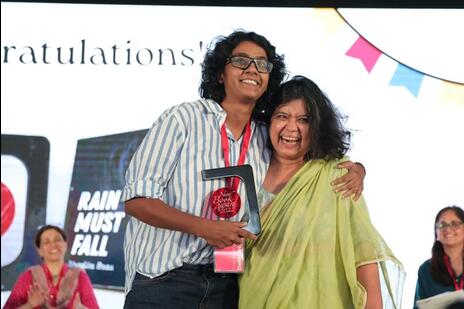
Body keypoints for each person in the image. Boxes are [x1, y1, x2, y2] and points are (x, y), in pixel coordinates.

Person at [122, 30, 366, 309]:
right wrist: (206, 228)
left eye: (262, 64)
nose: (253, 69)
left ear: (267, 82)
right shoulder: (183, 119)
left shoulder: (266, 135)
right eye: (241, 61)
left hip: (227, 284)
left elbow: (315, 154)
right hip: (164, 280)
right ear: (220, 74)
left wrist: (358, 168)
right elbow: (137, 201)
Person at [238, 76, 404, 309]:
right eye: (282, 116)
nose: (291, 128)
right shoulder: (248, 170)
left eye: (303, 120)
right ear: (269, 120)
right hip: (252, 298)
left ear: (316, 127)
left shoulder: (337, 176)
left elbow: (362, 254)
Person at [3, 225, 99, 309]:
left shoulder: (79, 276)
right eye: (46, 242)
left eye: (57, 239)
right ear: (39, 250)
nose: (53, 245)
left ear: (65, 245)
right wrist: (29, 305)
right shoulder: (28, 277)